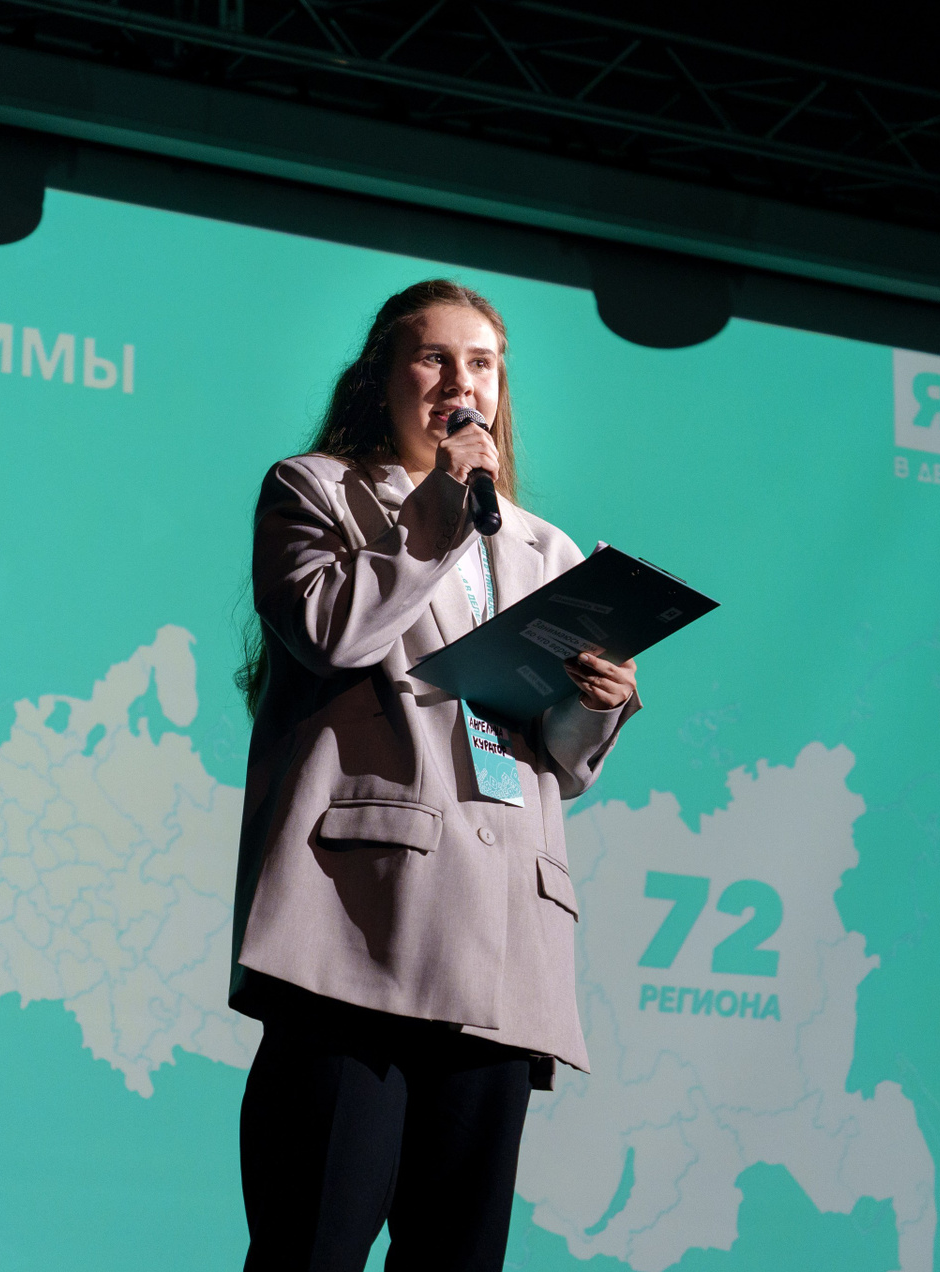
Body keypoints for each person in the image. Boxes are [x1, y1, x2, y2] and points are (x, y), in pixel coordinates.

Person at [230, 279, 640, 1272]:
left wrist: (597, 700)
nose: (463, 381)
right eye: (435, 358)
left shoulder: (545, 548)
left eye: (482, 364)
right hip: (359, 932)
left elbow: (560, 759)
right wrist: (439, 511)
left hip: (502, 948)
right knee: (313, 1244)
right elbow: (329, 634)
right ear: (382, 378)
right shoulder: (315, 491)